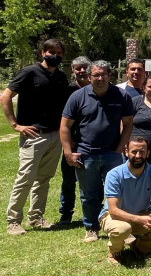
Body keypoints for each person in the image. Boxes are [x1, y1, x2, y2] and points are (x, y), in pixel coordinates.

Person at [61, 60, 134, 243]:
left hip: (112, 154)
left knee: (117, 192)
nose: (100, 78)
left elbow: (128, 124)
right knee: (89, 194)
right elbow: (64, 126)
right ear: (89, 76)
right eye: (96, 75)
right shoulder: (78, 97)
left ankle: (120, 226)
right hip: (86, 153)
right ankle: (91, 227)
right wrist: (68, 152)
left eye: (103, 74)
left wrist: (119, 148)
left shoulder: (121, 96)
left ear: (110, 75)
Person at [4, 38, 70, 235]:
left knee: (44, 178)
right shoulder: (29, 72)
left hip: (54, 135)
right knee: (25, 178)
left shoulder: (60, 76)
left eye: (59, 53)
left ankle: (36, 217)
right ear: (43, 53)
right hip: (34, 135)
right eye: (51, 52)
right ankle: (13, 221)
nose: (55, 56)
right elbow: (6, 96)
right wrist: (15, 125)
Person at [98, 137, 151, 265]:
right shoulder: (114, 175)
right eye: (134, 152)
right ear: (126, 152)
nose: (138, 156)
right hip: (113, 216)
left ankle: (138, 248)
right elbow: (113, 210)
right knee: (122, 229)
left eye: (142, 152)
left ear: (148, 153)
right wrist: (140, 219)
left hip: (140, 214)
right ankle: (115, 252)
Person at [57, 56, 91, 225]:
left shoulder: (97, 89)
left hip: (91, 143)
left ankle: (96, 210)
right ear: (73, 71)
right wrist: (68, 144)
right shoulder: (67, 91)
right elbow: (63, 121)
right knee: (69, 180)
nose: (82, 71)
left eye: (85, 67)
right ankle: (66, 213)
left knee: (94, 181)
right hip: (71, 141)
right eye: (78, 68)